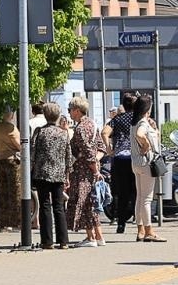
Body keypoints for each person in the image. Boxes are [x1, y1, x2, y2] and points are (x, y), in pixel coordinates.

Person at [30, 101, 72, 249]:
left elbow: (33, 153)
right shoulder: (63, 133)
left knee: (45, 206)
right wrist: (67, 174)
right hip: (59, 174)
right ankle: (63, 241)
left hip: (42, 173)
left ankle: (47, 241)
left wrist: (31, 168)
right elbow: (68, 156)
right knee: (59, 206)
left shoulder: (39, 132)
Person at [66, 96, 105, 247]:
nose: (69, 113)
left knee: (83, 203)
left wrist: (93, 168)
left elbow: (87, 152)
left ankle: (90, 237)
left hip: (84, 171)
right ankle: (99, 236)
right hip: (93, 168)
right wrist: (96, 162)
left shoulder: (81, 128)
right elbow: (101, 148)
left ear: (77, 110)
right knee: (92, 201)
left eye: (70, 110)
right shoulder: (93, 124)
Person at [104, 92, 138, 234]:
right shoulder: (138, 119)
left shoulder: (117, 119)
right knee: (137, 191)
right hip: (135, 157)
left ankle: (121, 223)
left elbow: (104, 132)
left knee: (122, 193)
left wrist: (109, 149)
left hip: (119, 159)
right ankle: (139, 222)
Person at [131, 93, 162, 242]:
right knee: (147, 199)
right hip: (146, 162)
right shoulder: (143, 123)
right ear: (147, 108)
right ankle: (149, 230)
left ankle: (140, 230)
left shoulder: (134, 121)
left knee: (140, 197)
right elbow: (140, 134)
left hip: (136, 163)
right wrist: (147, 144)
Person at [0, 110, 23, 229]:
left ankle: (3, 222)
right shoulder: (11, 128)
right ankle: (16, 221)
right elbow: (19, 145)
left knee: (2, 192)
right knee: (15, 191)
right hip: (12, 160)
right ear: (11, 115)